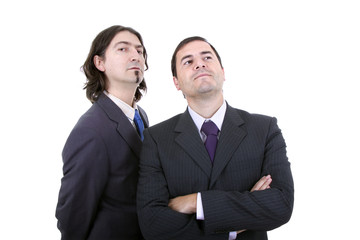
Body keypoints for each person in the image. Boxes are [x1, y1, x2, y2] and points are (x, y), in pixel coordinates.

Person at [137, 36, 294, 240]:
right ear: (176, 83)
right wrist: (232, 226)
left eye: (207, 57)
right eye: (188, 61)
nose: (200, 63)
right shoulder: (157, 139)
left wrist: (197, 202)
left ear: (223, 72)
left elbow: (281, 204)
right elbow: (152, 223)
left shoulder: (264, 129)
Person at [55, 25, 149, 240]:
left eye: (139, 50)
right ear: (100, 63)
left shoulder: (140, 115)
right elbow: (72, 216)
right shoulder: (91, 130)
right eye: (123, 49)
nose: (135, 55)